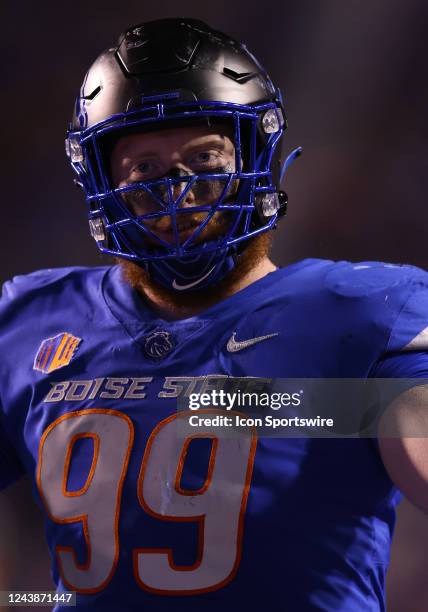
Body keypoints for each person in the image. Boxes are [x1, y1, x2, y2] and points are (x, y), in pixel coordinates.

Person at [1, 17, 428, 611]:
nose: (178, 190)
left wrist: (284, 405)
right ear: (102, 181)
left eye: (204, 157)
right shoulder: (29, 318)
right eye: (144, 168)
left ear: (256, 157)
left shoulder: (365, 307)